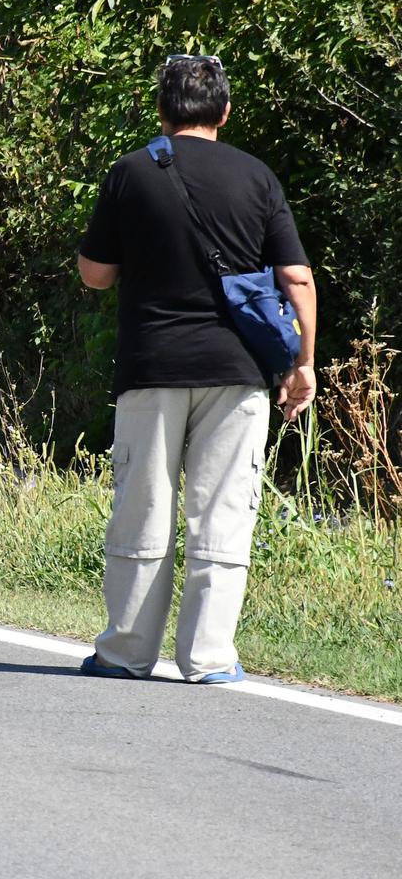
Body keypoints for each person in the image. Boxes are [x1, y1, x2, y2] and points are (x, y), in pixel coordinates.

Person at [76, 54, 317, 683]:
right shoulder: (257, 176)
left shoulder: (130, 173)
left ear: (162, 110)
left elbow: (96, 274)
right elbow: (297, 277)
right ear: (225, 111)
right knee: (223, 510)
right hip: (238, 369)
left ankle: (126, 651)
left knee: (143, 507)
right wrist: (304, 363)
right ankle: (208, 657)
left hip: (152, 364)